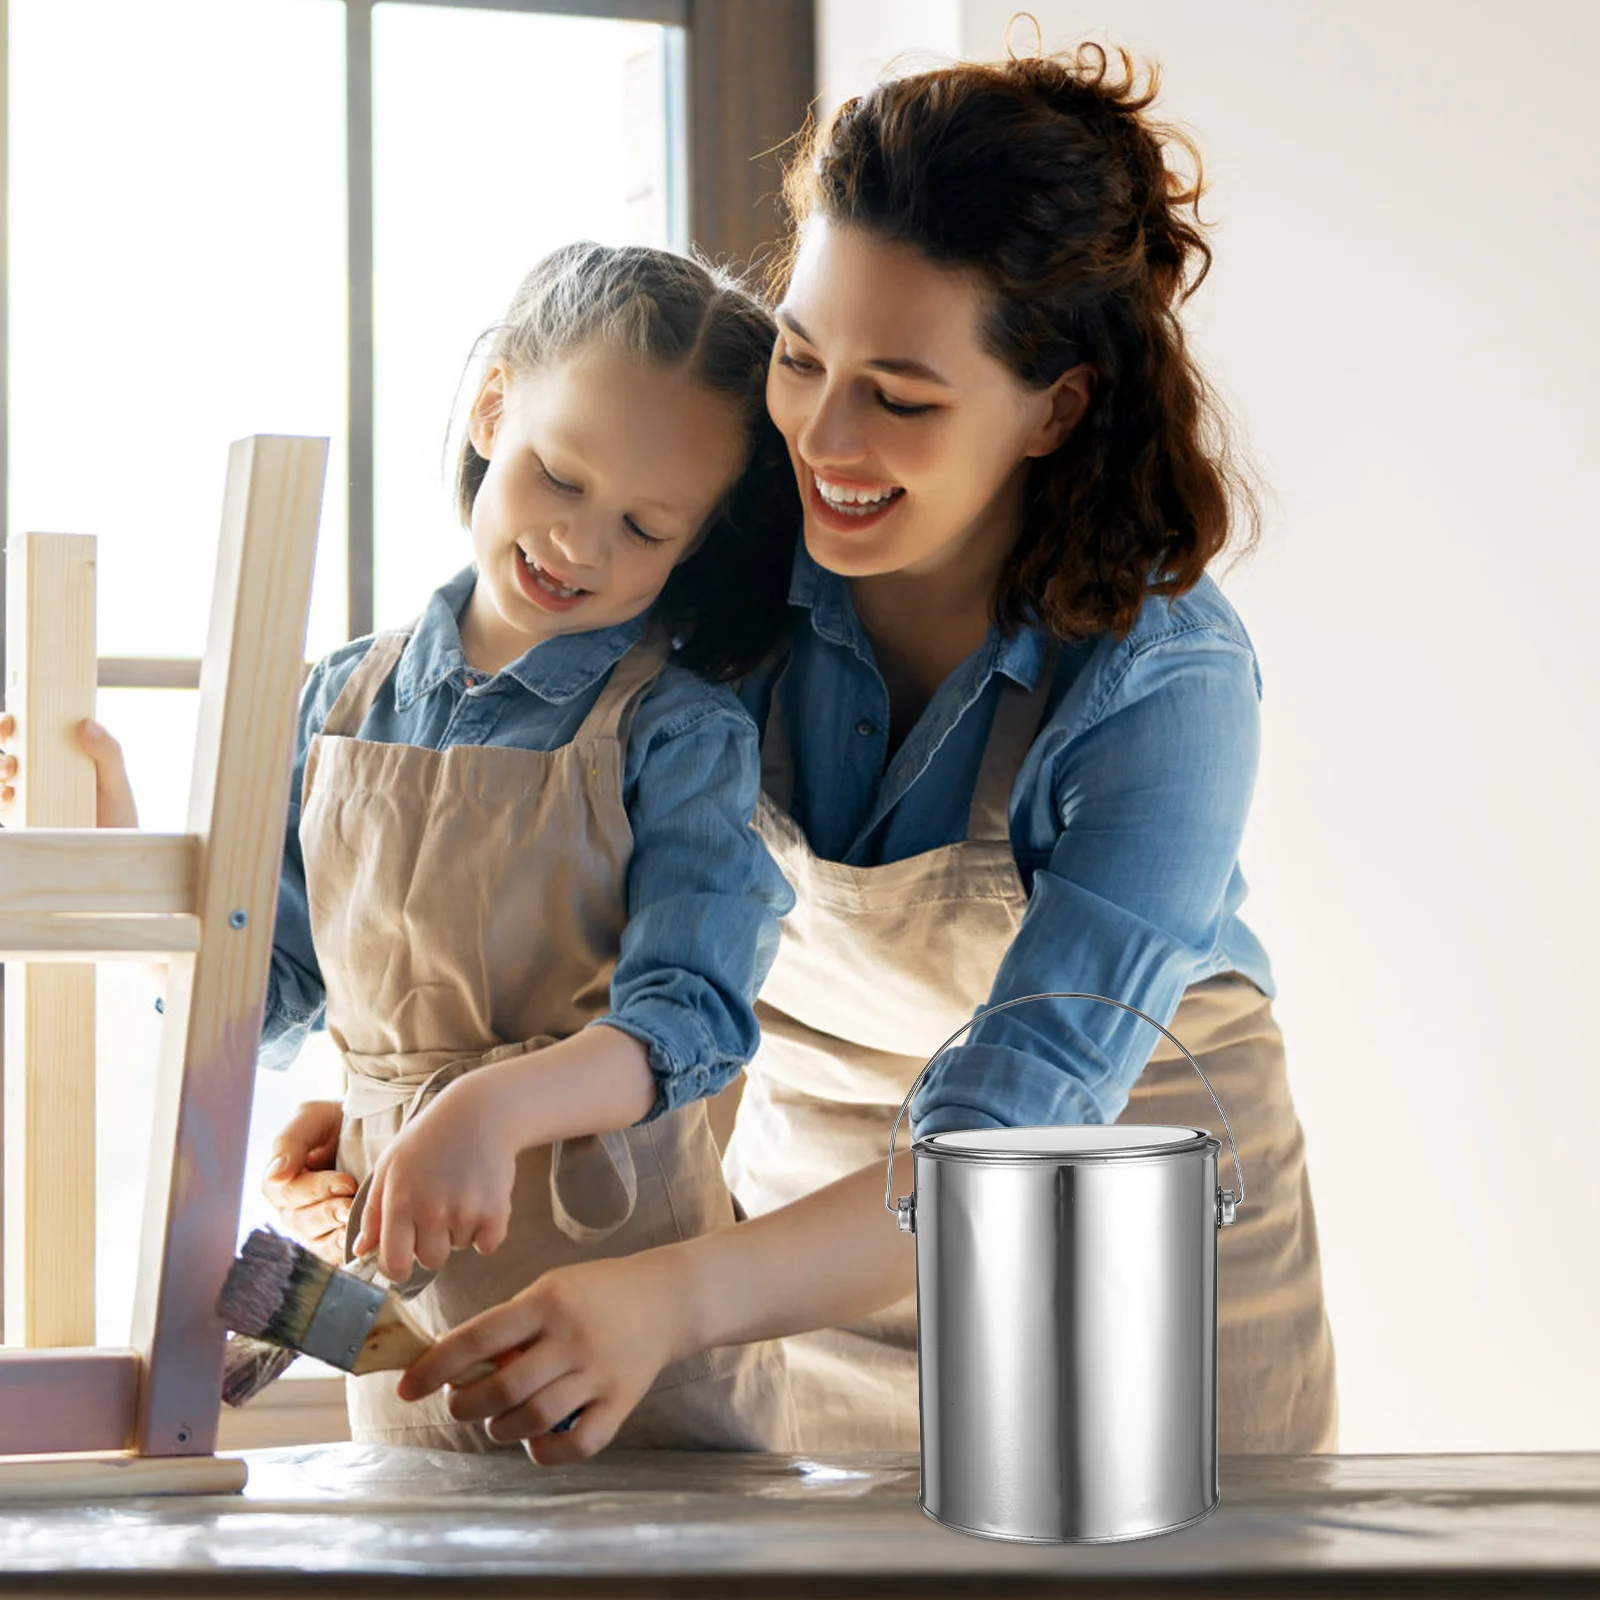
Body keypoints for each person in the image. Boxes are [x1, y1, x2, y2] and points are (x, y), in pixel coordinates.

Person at [395, 39, 1339, 1463]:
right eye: (799, 355)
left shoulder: (1162, 685)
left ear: (1058, 407)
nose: (822, 435)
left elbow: (1013, 1139)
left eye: (900, 396)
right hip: (787, 1266)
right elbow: (513, 779)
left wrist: (670, 1295)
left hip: (1130, 1266)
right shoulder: (727, 561)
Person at [0, 241, 803, 1456]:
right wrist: (117, 841)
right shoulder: (339, 699)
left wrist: (483, 1113)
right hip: (409, 1362)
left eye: (644, 527)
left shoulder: (680, 732)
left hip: (644, 1371)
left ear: (694, 546)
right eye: (557, 475)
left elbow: (689, 1019)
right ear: (492, 403)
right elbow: (250, 992)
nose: (581, 545)